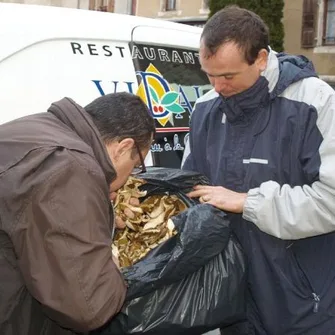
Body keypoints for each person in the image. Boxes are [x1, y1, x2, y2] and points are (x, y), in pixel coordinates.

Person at [183, 6, 335, 335]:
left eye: (227, 76)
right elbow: (190, 190)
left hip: (302, 304)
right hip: (231, 301)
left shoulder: (316, 103)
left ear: (261, 59)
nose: (217, 86)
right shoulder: (203, 110)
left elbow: (330, 201)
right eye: (209, 75)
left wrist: (248, 202)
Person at [0, 92, 155, 335]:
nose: (131, 176)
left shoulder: (39, 129)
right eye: (136, 165)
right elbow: (90, 307)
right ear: (123, 147)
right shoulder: (69, 168)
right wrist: (111, 260)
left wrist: (96, 206)